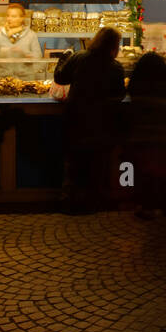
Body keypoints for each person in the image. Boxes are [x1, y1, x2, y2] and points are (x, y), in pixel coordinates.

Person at [54, 27, 125, 212]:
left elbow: (61, 78)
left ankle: (70, 203)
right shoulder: (115, 67)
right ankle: (93, 203)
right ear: (113, 46)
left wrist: (63, 58)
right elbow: (119, 95)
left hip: (76, 118)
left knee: (74, 163)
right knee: (96, 164)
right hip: (101, 123)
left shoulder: (79, 58)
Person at [127, 51, 166, 219]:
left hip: (141, 133)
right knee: (163, 170)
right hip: (162, 133)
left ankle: (145, 206)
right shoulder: (165, 88)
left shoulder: (137, 88)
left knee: (142, 171)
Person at [0, 2, 43, 75]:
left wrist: (24, 54)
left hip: (25, 79)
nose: (9, 19)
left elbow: (38, 59)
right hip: (4, 79)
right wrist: (2, 54)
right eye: (8, 16)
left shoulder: (31, 35)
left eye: (13, 16)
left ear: (22, 18)